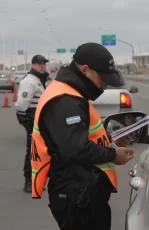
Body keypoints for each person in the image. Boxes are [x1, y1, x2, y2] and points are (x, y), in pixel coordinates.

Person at [30, 42, 135, 230]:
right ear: (85, 70)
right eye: (102, 78)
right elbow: (75, 149)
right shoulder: (66, 101)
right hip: (77, 196)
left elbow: (81, 137)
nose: (104, 85)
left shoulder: (72, 93)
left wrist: (111, 142)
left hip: (81, 192)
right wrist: (113, 155)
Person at [15, 54, 50, 193]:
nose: (42, 65)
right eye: (39, 63)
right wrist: (27, 121)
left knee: (40, 153)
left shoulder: (39, 80)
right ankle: (29, 182)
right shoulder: (30, 81)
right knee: (32, 152)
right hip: (32, 119)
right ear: (33, 65)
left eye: (44, 63)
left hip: (40, 121)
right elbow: (22, 104)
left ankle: (37, 180)